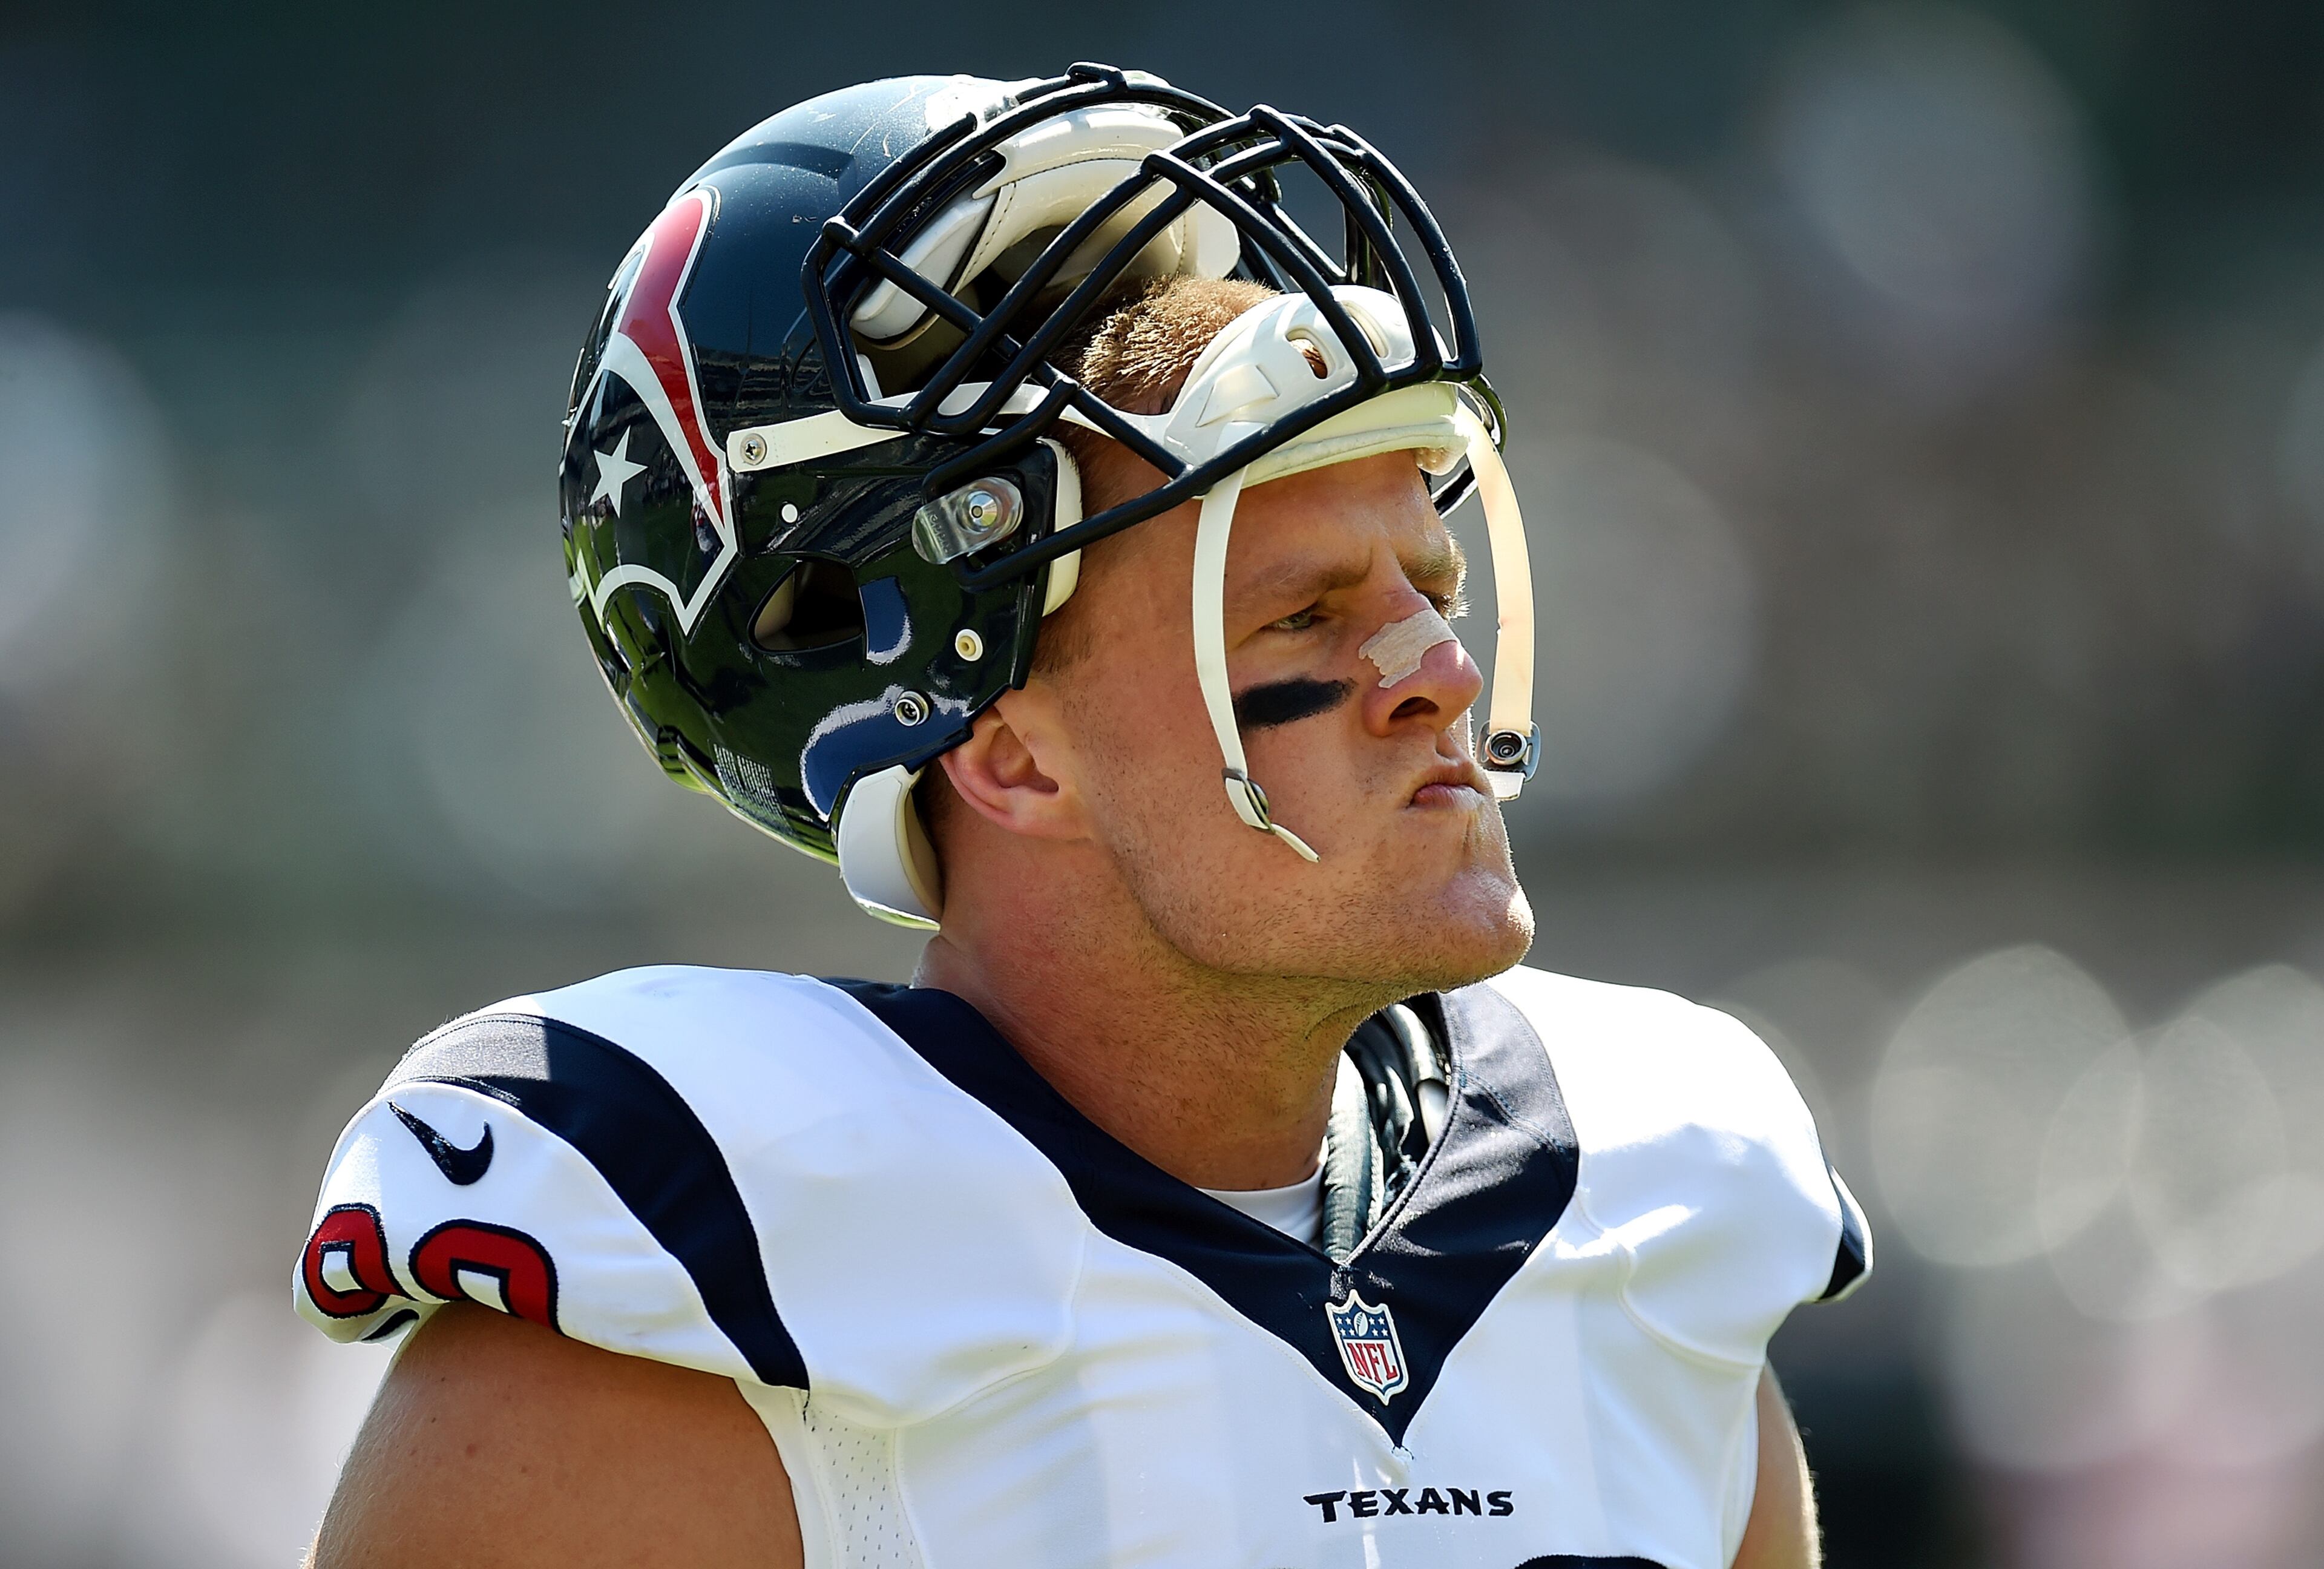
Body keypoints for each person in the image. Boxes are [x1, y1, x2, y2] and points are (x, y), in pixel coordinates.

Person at [295, 64, 1868, 1569]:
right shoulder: (700, 1289)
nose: (1441, 673)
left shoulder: (1651, 1203)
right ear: (1006, 751)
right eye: (1306, 616)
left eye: (1433, 587)